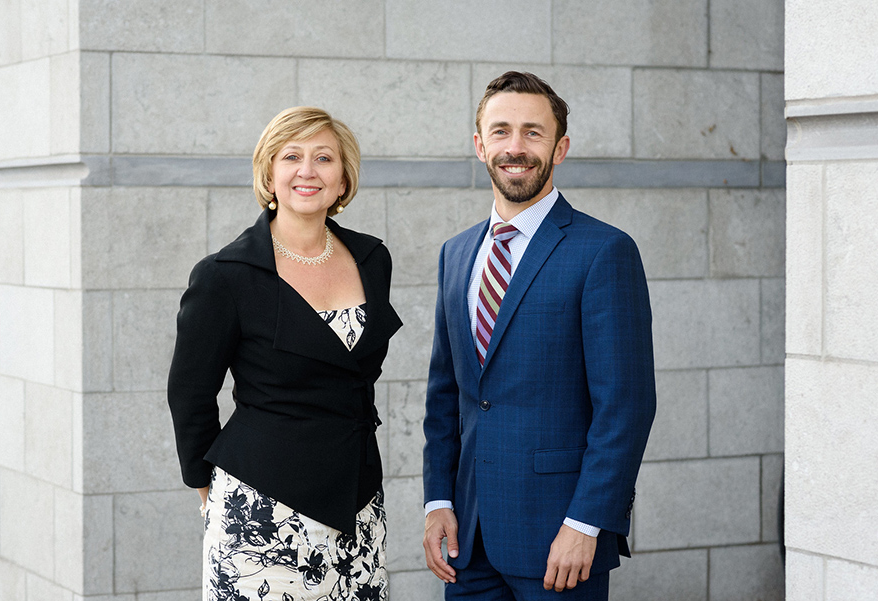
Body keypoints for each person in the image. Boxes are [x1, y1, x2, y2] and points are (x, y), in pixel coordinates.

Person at [422, 72, 656, 600]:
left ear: (560, 147)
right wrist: (438, 501)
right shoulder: (455, 254)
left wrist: (587, 523)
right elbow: (447, 395)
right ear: (479, 144)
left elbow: (626, 405)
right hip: (468, 542)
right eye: (501, 131)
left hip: (559, 541)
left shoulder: (603, 251)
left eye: (533, 132)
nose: (516, 147)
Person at [168, 106, 401, 601]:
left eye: (324, 158)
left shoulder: (372, 258)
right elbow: (190, 390)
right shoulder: (224, 274)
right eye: (291, 156)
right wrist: (206, 485)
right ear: (270, 173)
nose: (308, 170)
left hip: (359, 501)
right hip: (263, 509)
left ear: (343, 178)